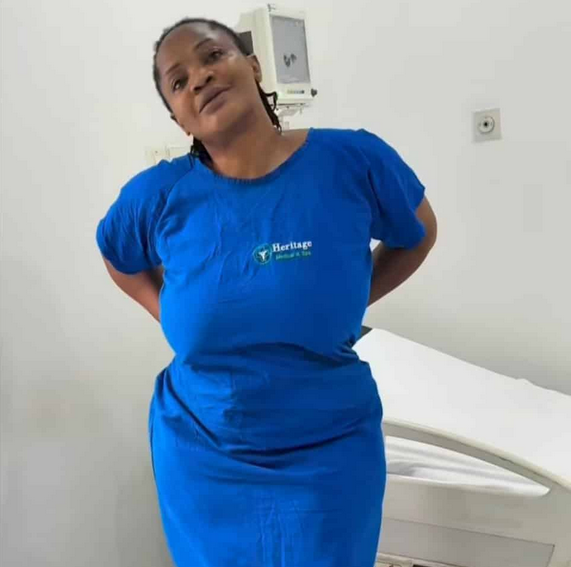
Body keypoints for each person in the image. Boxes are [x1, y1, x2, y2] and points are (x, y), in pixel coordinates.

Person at [96, 16, 437, 567]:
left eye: (213, 56)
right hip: (204, 455)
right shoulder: (155, 197)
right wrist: (167, 312)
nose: (199, 78)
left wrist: (350, 297)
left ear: (254, 66)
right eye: (178, 82)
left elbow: (418, 232)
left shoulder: (354, 161)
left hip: (330, 455)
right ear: (178, 117)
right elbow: (118, 258)